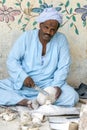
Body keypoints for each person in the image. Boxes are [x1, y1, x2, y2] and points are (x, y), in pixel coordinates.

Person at [0, 7, 79, 108]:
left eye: (52, 30)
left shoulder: (61, 40)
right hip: (23, 84)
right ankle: (25, 101)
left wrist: (56, 86)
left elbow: (64, 66)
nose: (48, 32)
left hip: (49, 85)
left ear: (57, 30)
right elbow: (12, 60)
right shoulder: (26, 37)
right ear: (40, 25)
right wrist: (23, 77)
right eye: (46, 27)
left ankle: (38, 101)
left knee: (72, 96)